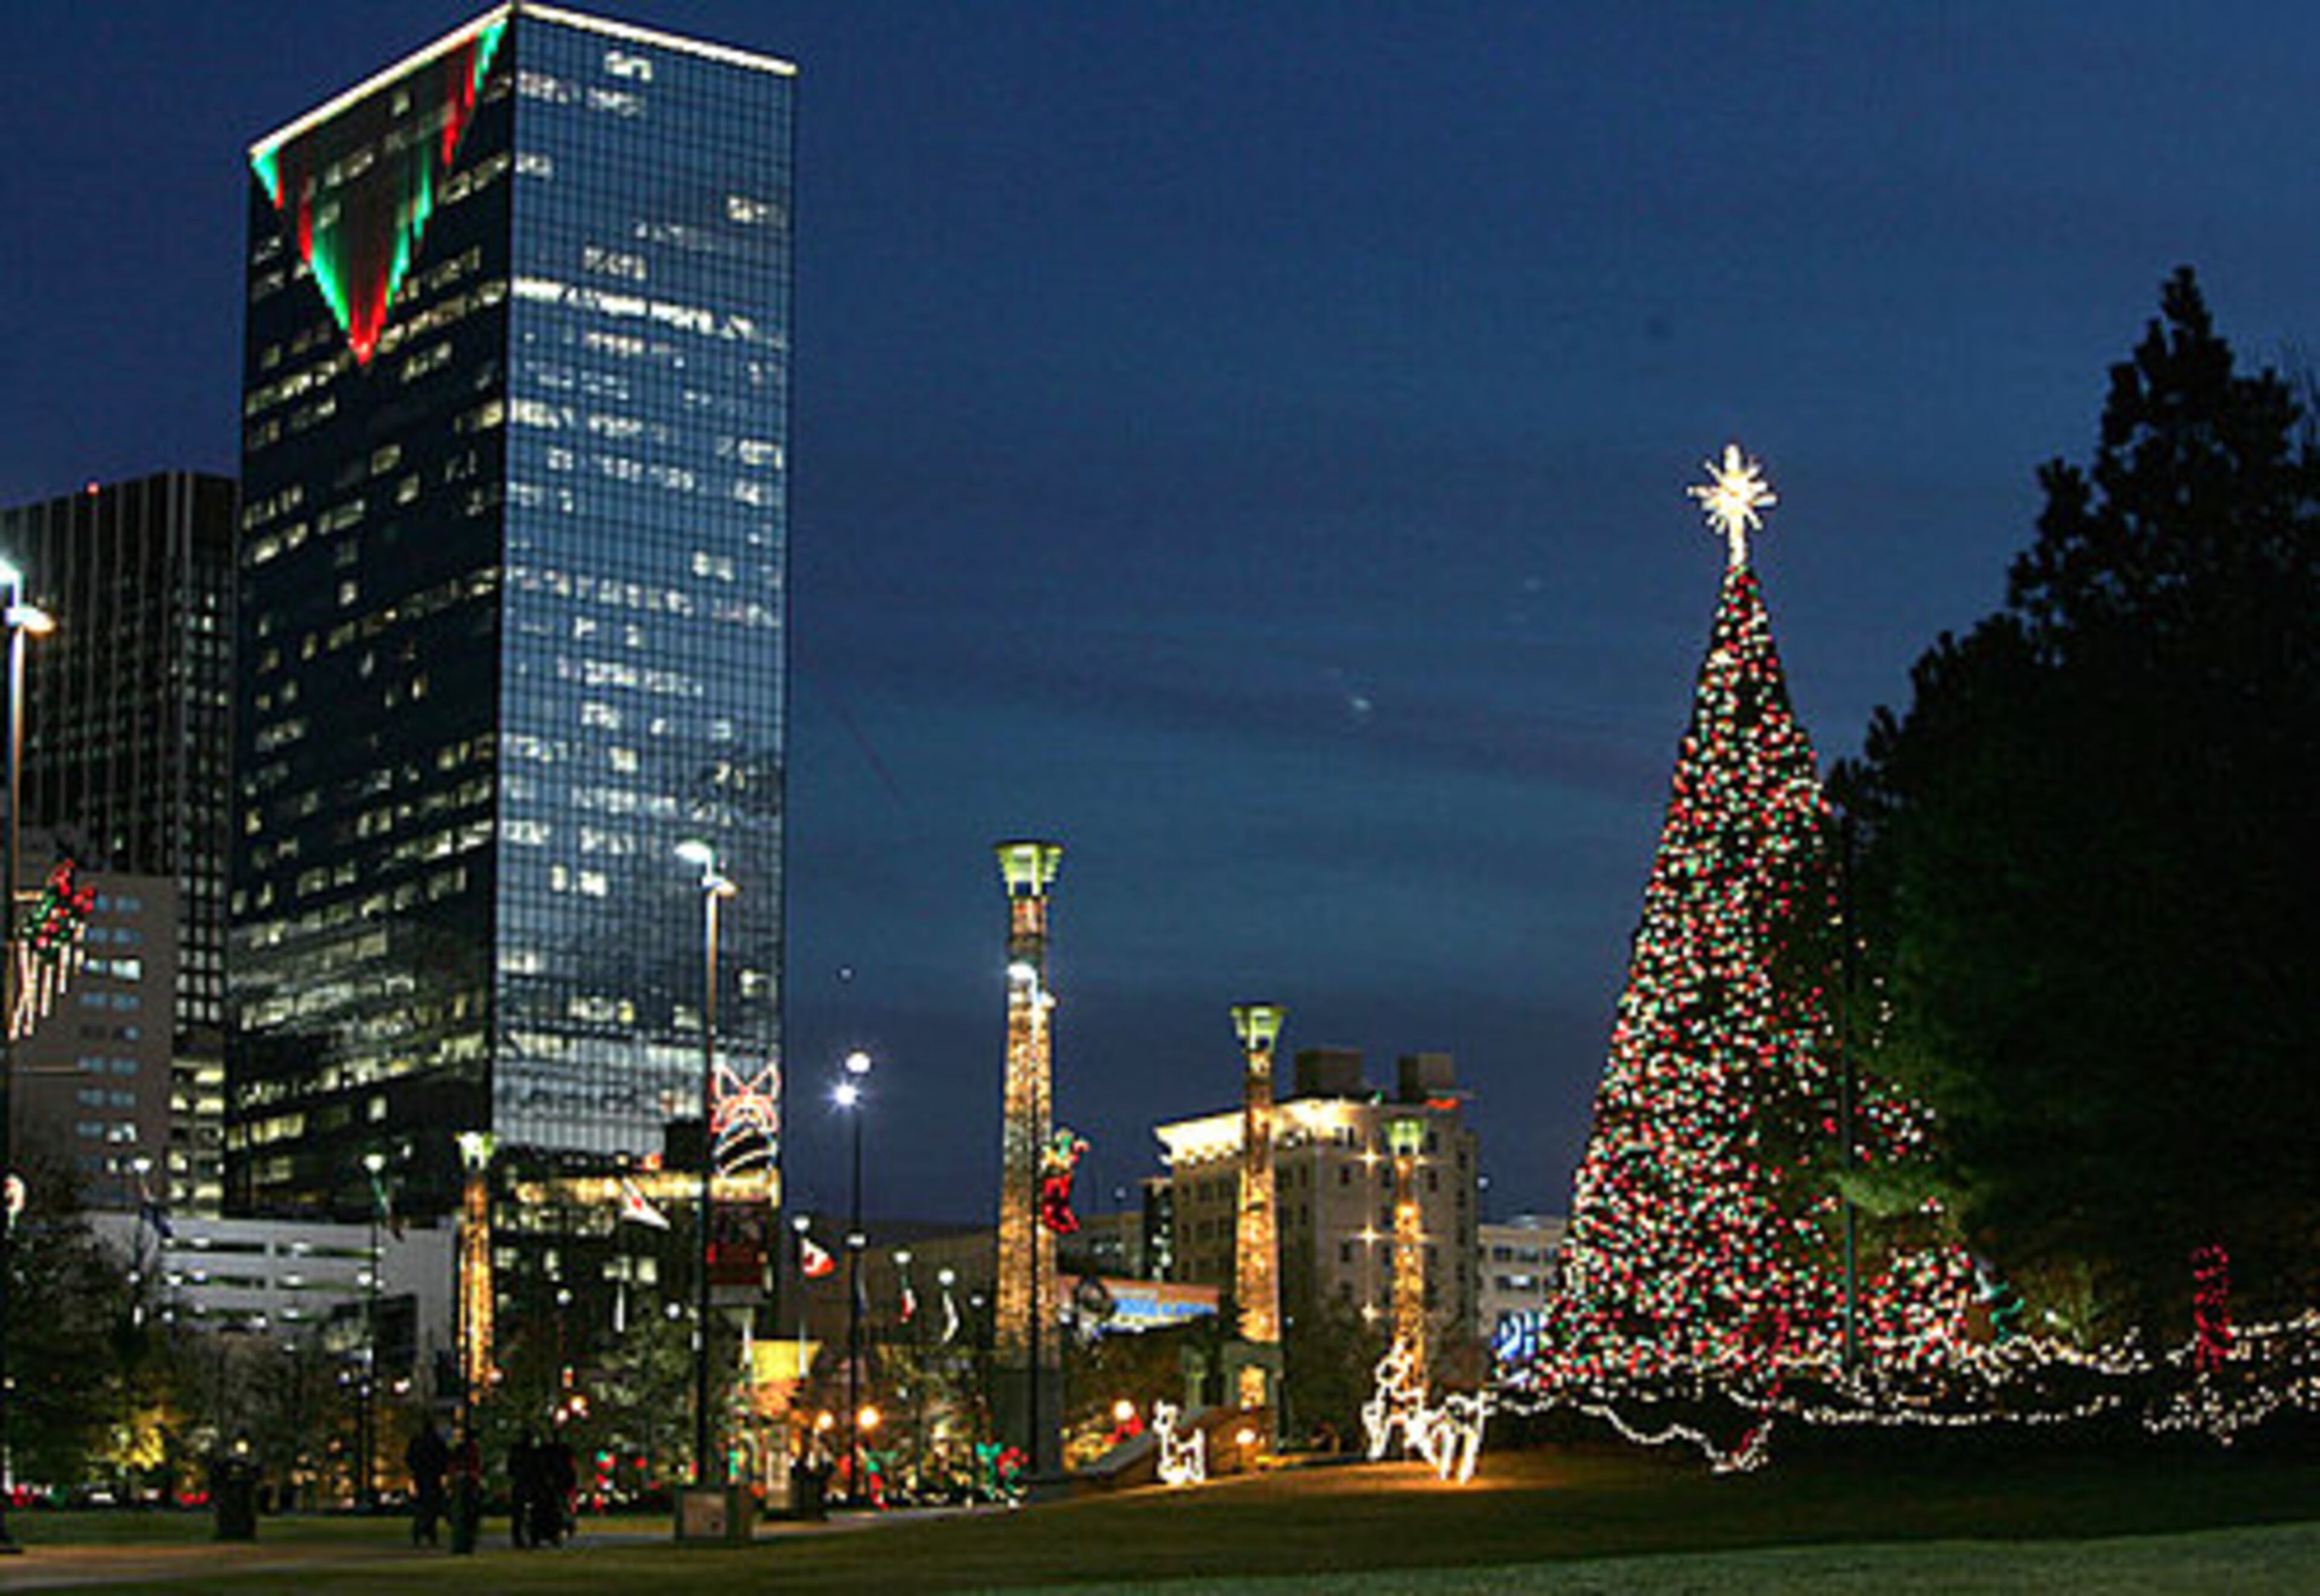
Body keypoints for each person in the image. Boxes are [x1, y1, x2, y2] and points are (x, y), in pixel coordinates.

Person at [405, 1422, 450, 1547]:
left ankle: (421, 1533)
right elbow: (444, 1458)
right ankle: (428, 1533)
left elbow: (410, 1458)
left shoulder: (418, 1442)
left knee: (424, 1507)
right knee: (431, 1507)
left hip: (423, 1476)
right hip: (432, 1477)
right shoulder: (436, 1443)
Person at [447, 1430, 482, 1556]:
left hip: (464, 1483)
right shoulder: (470, 1451)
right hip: (468, 1484)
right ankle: (465, 1544)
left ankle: (462, 1544)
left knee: (463, 1515)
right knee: (467, 1514)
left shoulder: (461, 1451)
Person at [507, 1431, 542, 1549]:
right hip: (530, 1484)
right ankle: (533, 1538)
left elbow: (510, 1469)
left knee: (519, 1513)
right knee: (533, 1512)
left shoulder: (518, 1453)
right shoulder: (534, 1454)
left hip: (522, 1484)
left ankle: (520, 1539)